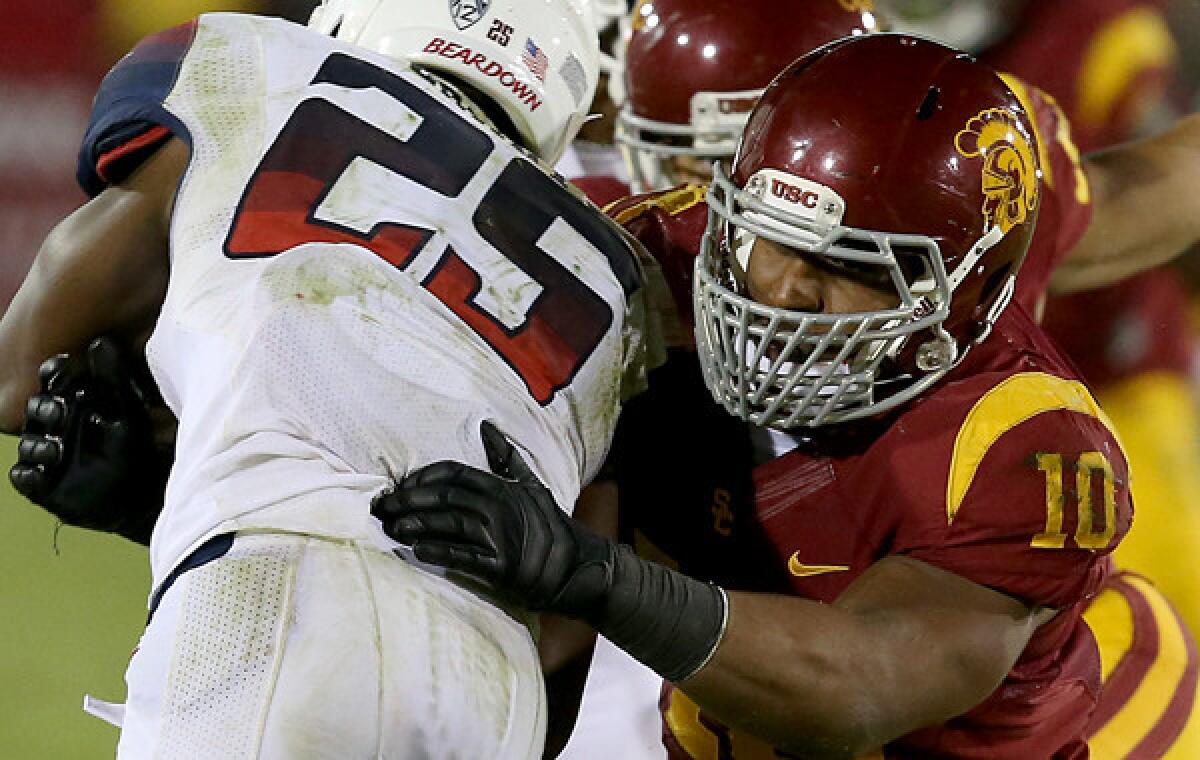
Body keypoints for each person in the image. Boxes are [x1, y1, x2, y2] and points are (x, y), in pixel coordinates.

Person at [372, 34, 1135, 757]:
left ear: (969, 294)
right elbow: (542, 665)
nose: (791, 292)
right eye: (775, 237)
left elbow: (858, 689)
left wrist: (591, 577)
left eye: (859, 268)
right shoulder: (650, 274)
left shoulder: (1019, 443)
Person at [0, 1, 664, 757]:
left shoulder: (251, 69)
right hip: (496, 683)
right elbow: (562, 661)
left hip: (274, 602)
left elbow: (20, 377)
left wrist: (151, 473)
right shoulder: (624, 282)